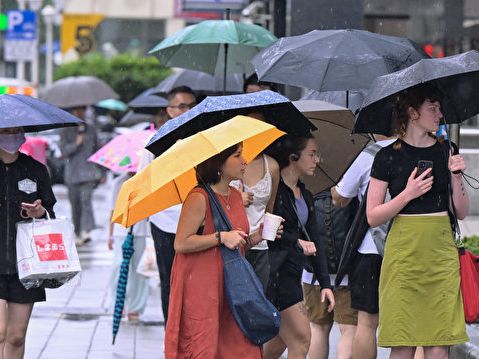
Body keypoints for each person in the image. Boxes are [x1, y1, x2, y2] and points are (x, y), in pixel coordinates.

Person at [366, 84, 469, 358]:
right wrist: (407, 195)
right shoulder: (387, 156)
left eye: (439, 108)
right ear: (412, 113)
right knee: (403, 341)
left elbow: (460, 211)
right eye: (432, 108)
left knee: (439, 345)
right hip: (404, 253)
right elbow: (372, 215)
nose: (439, 114)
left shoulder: (447, 149)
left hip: (440, 252)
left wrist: (457, 176)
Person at [165, 143, 266, 358]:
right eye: (237, 156)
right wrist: (220, 237)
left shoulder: (237, 196)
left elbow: (236, 243)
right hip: (203, 287)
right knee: (206, 346)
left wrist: (258, 236)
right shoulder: (198, 197)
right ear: (218, 162)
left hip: (233, 286)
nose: (244, 161)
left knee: (240, 347)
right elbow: (181, 243)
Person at [264, 134, 335, 359]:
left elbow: (316, 240)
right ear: (293, 157)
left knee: (277, 344)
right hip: (275, 272)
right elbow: (268, 232)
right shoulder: (275, 192)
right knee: (302, 337)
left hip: (293, 271)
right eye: (312, 154)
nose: (317, 160)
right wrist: (295, 242)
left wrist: (325, 283)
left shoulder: (305, 194)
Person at [331, 135, 396, 359]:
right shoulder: (427, 149)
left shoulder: (370, 154)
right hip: (409, 246)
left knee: (367, 322)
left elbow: (340, 196)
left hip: (370, 249)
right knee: (414, 321)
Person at [137, 86, 197, 324]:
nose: (187, 111)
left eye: (192, 106)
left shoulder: (201, 138)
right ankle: (171, 332)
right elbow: (144, 181)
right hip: (164, 221)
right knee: (169, 279)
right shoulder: (156, 142)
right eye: (182, 106)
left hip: (197, 221)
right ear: (169, 110)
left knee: (195, 282)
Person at [0, 127, 56, 359]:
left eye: (16, 130)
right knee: (0, 331)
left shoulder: (35, 169)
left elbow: (50, 212)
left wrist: (40, 212)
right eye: (6, 130)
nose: (11, 134)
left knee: (16, 335)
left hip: (26, 263)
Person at [303, 189, 359, 359]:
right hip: (347, 275)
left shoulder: (308, 190)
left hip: (313, 274)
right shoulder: (349, 188)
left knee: (317, 328)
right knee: (348, 330)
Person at [230, 152, 280, 291]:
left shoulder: (272, 166)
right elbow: (216, 203)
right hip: (233, 245)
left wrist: (271, 230)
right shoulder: (228, 163)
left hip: (260, 248)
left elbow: (270, 209)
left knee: (258, 302)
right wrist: (236, 199)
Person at [107, 172, 149, 323]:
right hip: (121, 231)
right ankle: (119, 303)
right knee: (119, 267)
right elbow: (112, 210)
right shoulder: (119, 183)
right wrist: (110, 234)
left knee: (139, 270)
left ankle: (135, 307)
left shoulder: (147, 178)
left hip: (141, 231)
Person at [60, 106, 103, 245]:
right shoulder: (65, 130)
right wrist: (76, 143)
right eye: (76, 110)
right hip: (72, 174)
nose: (79, 113)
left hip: (88, 173)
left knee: (85, 201)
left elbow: (98, 150)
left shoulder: (91, 129)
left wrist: (102, 171)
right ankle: (77, 232)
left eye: (82, 110)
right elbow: (63, 152)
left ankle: (86, 230)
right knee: (75, 205)